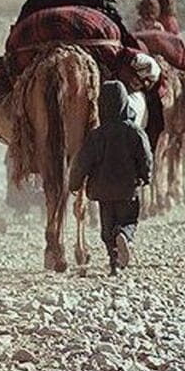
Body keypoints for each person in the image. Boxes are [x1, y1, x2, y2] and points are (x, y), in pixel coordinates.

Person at [68, 81, 153, 274]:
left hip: (102, 191)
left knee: (107, 228)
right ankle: (124, 235)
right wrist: (145, 177)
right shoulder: (135, 132)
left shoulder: (96, 135)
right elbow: (146, 157)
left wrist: (74, 183)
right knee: (128, 220)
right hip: (127, 189)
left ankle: (114, 262)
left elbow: (82, 162)